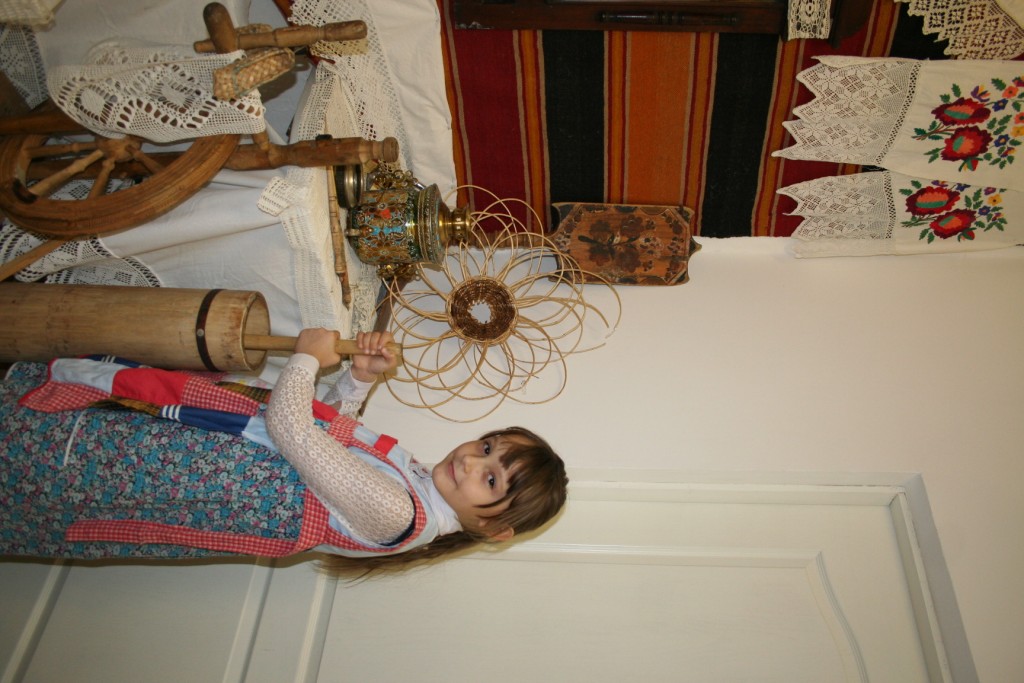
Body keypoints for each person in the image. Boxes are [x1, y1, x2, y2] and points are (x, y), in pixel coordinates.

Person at [0, 328, 569, 574]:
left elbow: (293, 430)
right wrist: (358, 379)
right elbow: (327, 438)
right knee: (85, 433)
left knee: (55, 455)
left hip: (165, 472)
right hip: (185, 453)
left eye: (491, 480)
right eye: (487, 446)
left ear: (494, 529)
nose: (471, 461)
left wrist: (307, 358)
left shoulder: (401, 514)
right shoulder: (415, 484)